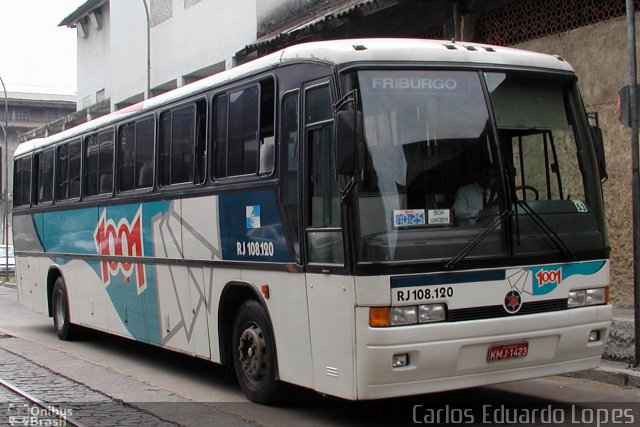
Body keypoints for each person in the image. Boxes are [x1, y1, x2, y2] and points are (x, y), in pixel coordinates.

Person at [453, 162, 498, 227]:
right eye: (487, 175)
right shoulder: (464, 192)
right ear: (479, 175)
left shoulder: (495, 195)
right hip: (470, 235)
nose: (490, 179)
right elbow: (457, 211)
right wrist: (477, 213)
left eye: (493, 176)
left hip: (490, 234)